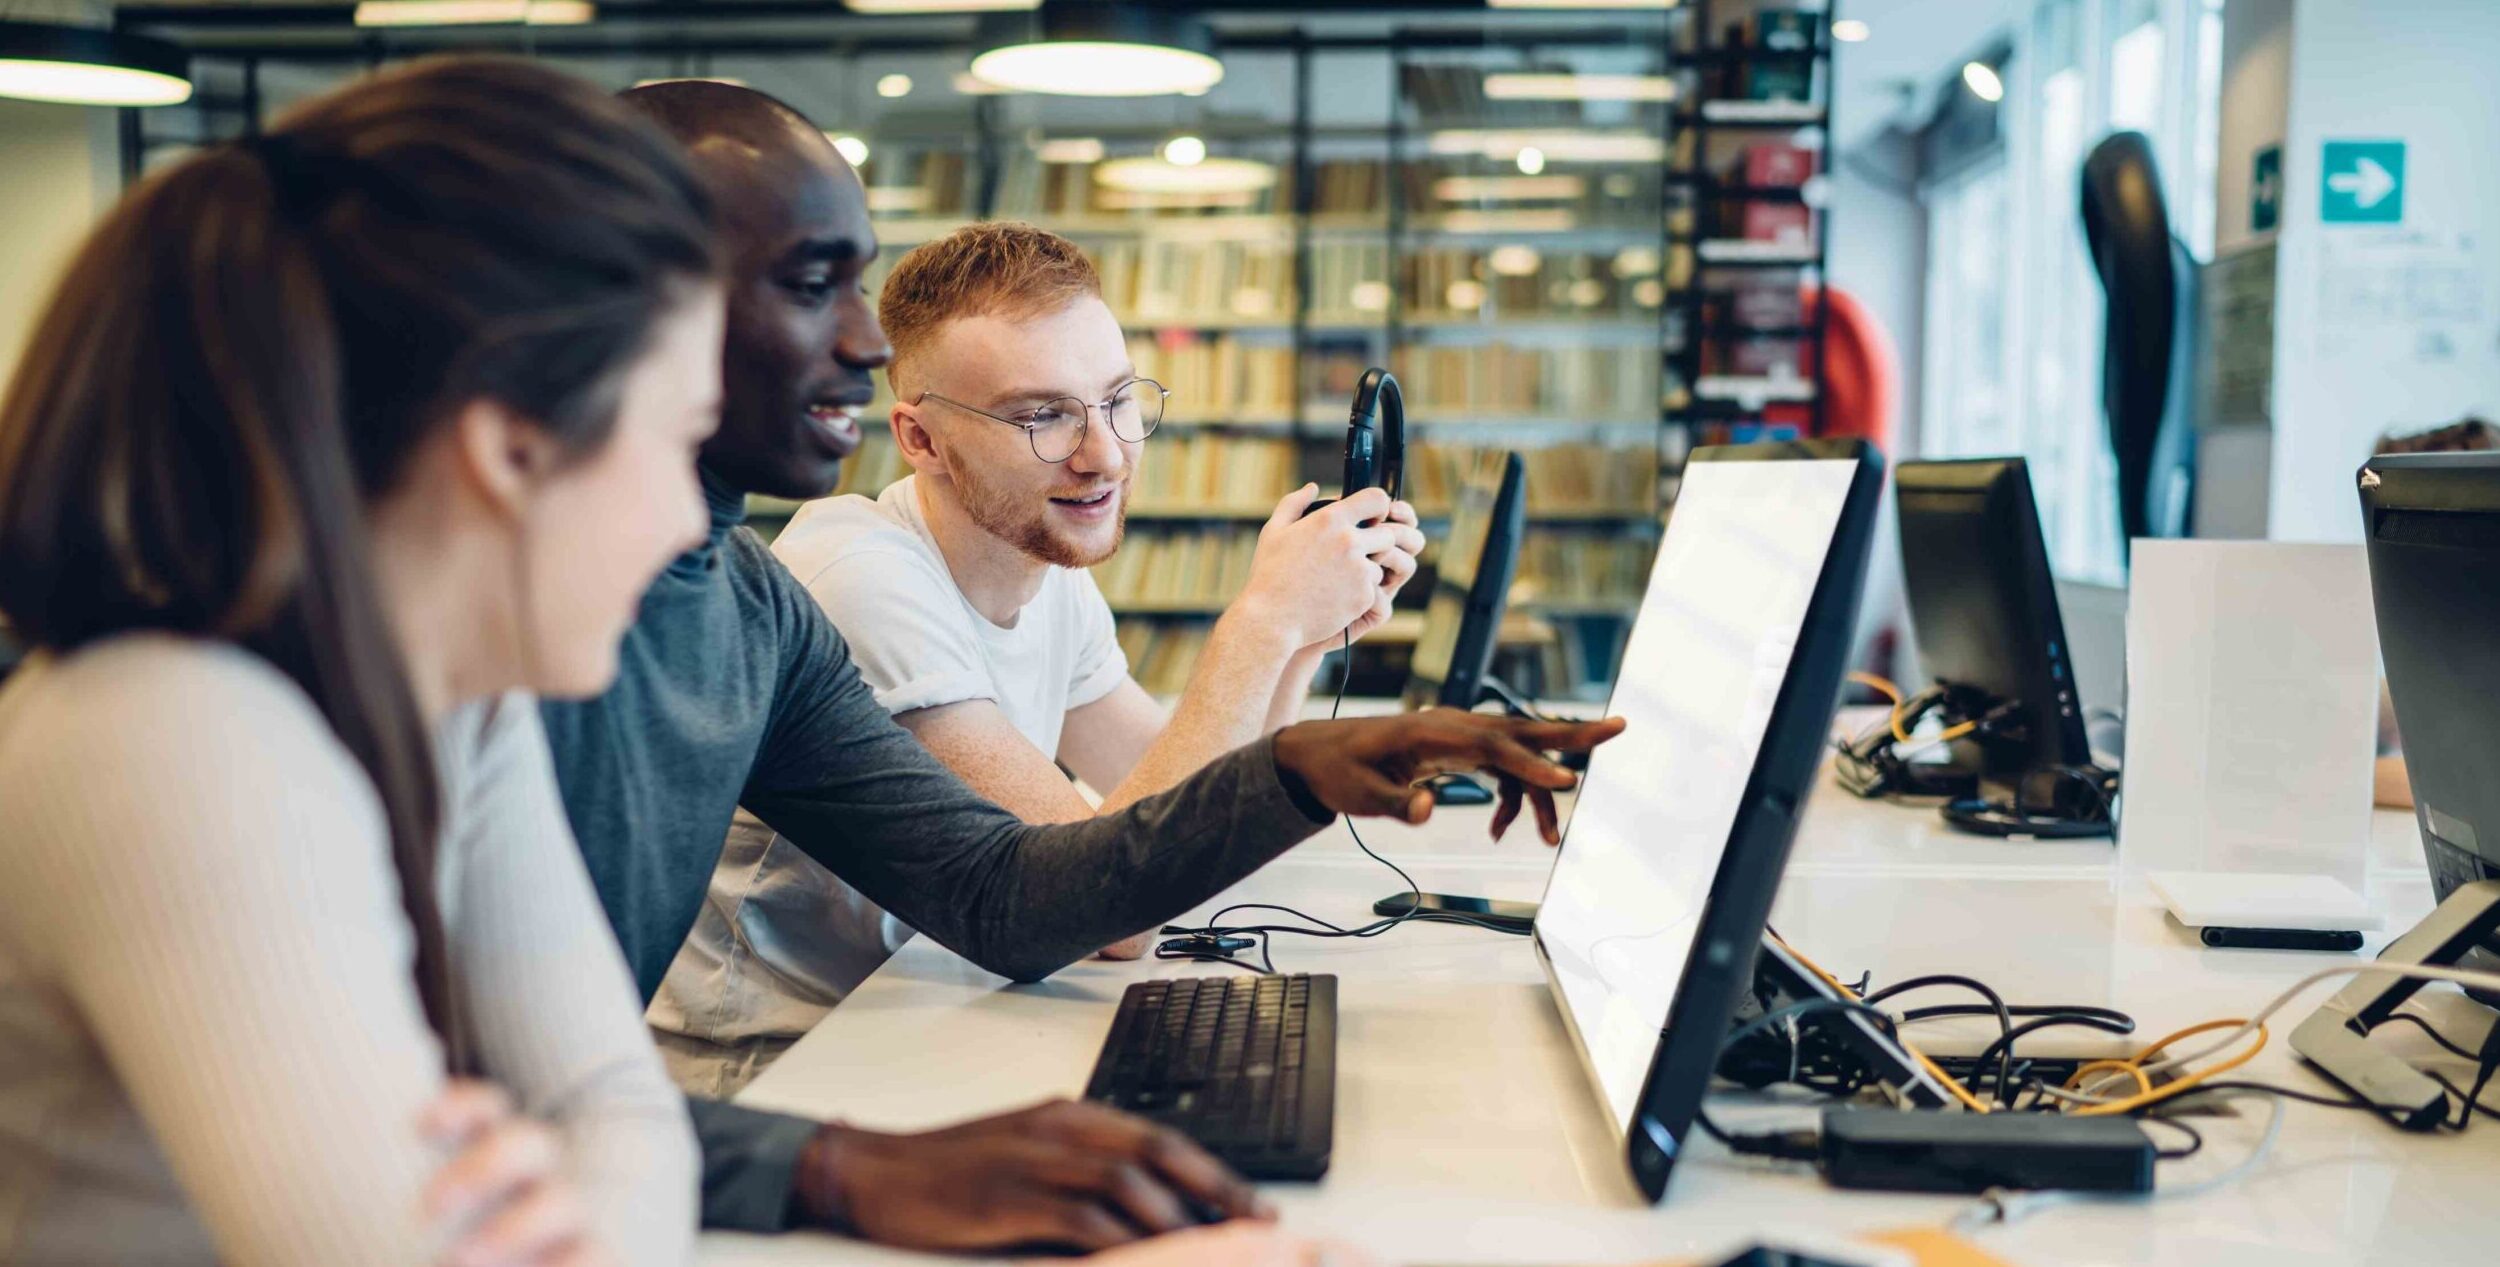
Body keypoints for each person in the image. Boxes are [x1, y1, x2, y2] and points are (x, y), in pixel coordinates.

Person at [537, 79, 1622, 1252]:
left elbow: (1017, 891)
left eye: (1115, 401)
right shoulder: (777, 582)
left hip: (734, 1119)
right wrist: (1257, 632)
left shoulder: (748, 602)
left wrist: (1304, 736)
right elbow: (475, 1094)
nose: (860, 347)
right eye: (814, 287)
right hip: (731, 1110)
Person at [0, 58, 718, 1265]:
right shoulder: (171, 733)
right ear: (513, 449)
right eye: (681, 439)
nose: (693, 521)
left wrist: (583, 1217)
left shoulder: (460, 705)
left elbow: (620, 1105)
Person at [648, 221, 1427, 1092]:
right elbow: (1103, 913)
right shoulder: (860, 575)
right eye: (1044, 415)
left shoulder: (1042, 565)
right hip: (779, 1070)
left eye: (1118, 399)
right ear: (921, 440)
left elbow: (1202, 822)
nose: (1106, 455)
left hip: (932, 1012)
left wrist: (1305, 638)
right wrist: (1260, 624)